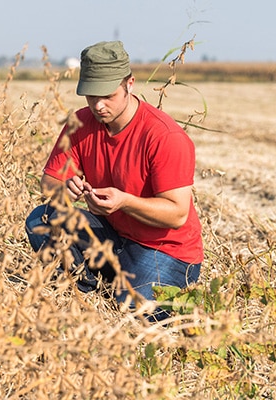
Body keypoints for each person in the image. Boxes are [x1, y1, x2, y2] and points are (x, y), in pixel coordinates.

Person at [25, 41, 203, 320]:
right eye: (90, 96)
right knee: (41, 220)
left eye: (107, 95)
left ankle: (128, 289)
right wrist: (66, 188)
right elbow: (48, 182)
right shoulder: (81, 123)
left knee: (134, 315)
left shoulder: (165, 137)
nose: (98, 105)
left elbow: (177, 214)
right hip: (114, 236)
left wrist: (125, 202)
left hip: (164, 249)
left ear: (129, 84)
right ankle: (87, 287)